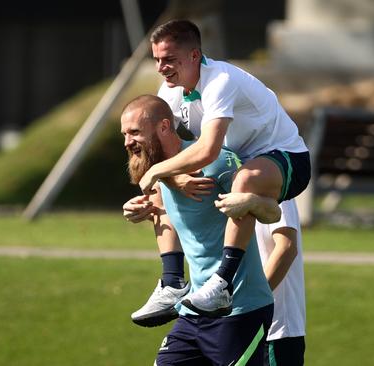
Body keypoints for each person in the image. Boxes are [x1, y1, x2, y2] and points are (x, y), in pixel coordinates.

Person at [133, 19, 311, 316]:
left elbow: (208, 149)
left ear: (194, 56)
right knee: (165, 179)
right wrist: (166, 183)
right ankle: (172, 281)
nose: (161, 68)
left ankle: (222, 285)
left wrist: (156, 172)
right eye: (157, 60)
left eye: (169, 60)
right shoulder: (170, 90)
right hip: (237, 163)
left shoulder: (220, 80)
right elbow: (162, 148)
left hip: (286, 158)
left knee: (244, 181)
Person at [122, 94, 274, 365]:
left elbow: (265, 211)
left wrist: (251, 202)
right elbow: (171, 214)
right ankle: (172, 284)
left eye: (134, 132)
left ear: (164, 127)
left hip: (240, 311)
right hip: (193, 311)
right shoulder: (160, 174)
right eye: (124, 134)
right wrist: (144, 211)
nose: (127, 142)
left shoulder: (216, 161)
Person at [256, 200, 306, 366]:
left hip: (274, 331)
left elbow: (287, 247)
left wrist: (251, 301)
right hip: (240, 326)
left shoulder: (275, 185)